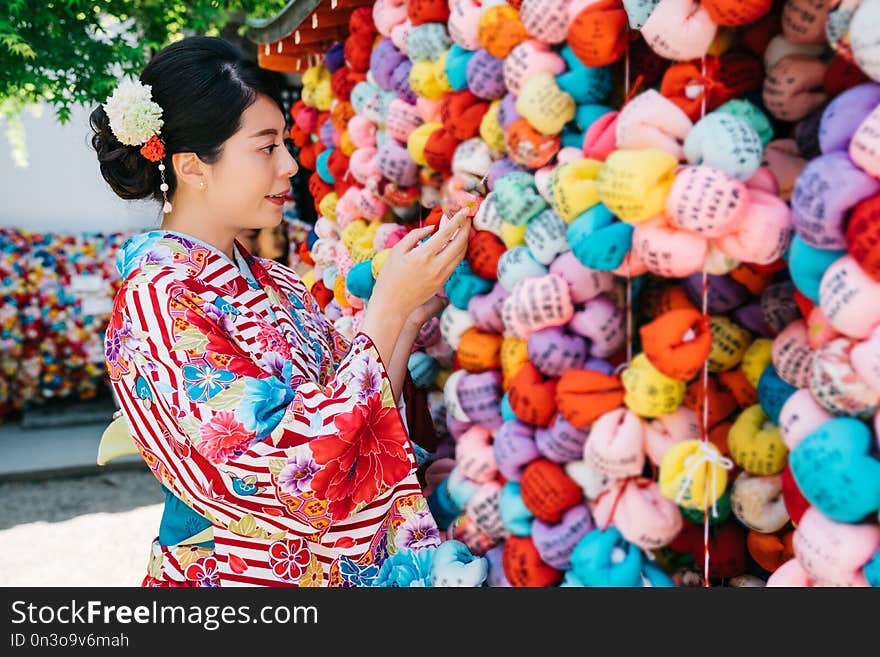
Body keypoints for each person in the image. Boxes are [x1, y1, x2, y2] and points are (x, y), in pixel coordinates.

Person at [90, 36, 473, 587]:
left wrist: (409, 313)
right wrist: (387, 307)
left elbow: (359, 419)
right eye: (266, 147)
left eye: (285, 144)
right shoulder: (159, 297)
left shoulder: (273, 279)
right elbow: (291, 472)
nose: (289, 165)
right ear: (194, 166)